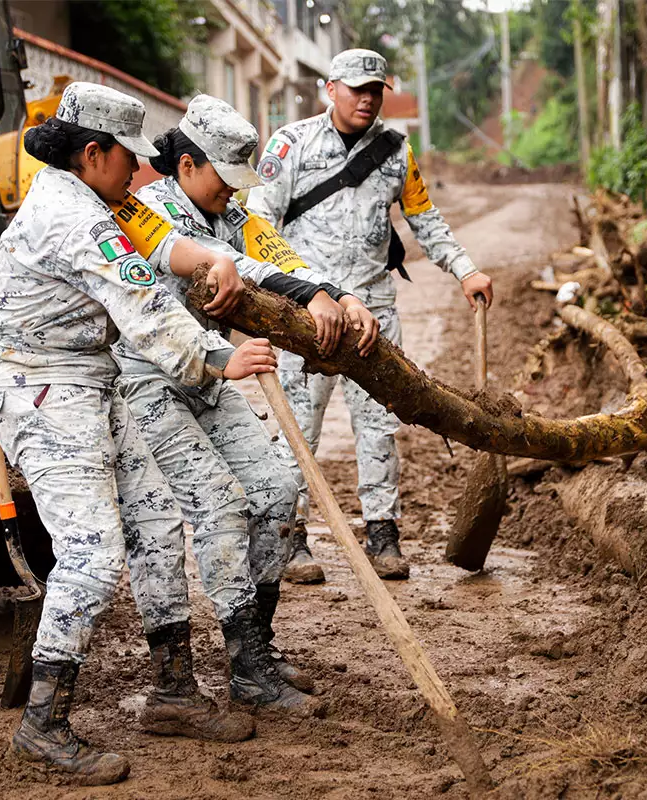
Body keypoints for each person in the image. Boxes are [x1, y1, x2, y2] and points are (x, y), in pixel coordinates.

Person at [0, 82, 281, 784]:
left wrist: (216, 262)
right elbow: (141, 302)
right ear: (94, 153)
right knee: (91, 557)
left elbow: (159, 252)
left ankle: (173, 690)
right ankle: (43, 725)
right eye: (129, 158)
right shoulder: (73, 215)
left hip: (91, 384)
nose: (139, 171)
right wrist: (216, 358)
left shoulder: (97, 201)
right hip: (43, 392)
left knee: (156, 524)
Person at [124, 94, 380, 710]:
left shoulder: (232, 210)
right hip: (143, 381)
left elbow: (276, 254)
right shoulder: (147, 210)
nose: (233, 192)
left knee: (274, 490)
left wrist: (336, 294)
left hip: (211, 374)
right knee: (212, 511)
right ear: (186, 165)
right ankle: (191, 677)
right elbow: (235, 265)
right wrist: (308, 290)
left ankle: (253, 656)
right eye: (224, 176)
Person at [247, 48, 494, 583]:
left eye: (375, 90)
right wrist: (284, 288)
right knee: (298, 429)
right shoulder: (289, 145)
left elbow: (425, 219)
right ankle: (290, 539)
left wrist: (466, 269)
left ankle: (383, 532)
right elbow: (259, 221)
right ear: (330, 88)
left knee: (378, 427)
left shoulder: (396, 151)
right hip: (305, 313)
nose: (366, 98)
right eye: (356, 87)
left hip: (374, 313)